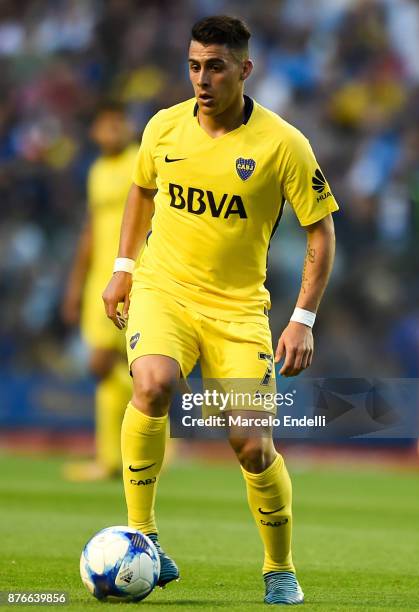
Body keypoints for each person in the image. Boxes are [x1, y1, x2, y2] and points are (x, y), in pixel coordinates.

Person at [102, 15, 337, 605]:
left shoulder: (283, 144)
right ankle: (145, 538)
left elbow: (321, 233)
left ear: (244, 70)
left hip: (238, 312)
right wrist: (124, 269)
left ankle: (279, 570)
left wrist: (302, 319)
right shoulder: (163, 127)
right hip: (165, 292)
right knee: (152, 384)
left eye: (215, 67)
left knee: (252, 445)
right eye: (193, 65)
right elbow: (142, 190)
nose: (201, 79)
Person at [62, 101, 137, 481]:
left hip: (133, 276)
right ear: (94, 132)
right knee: (112, 369)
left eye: (119, 124)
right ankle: (113, 458)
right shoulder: (97, 171)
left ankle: (121, 454)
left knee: (109, 365)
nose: (114, 132)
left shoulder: (140, 162)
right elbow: (90, 231)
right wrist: (75, 285)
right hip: (100, 281)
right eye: (106, 126)